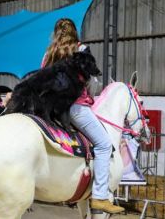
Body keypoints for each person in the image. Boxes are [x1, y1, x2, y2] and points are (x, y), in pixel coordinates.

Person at [41, 18, 124, 213]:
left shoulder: (48, 54)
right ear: (75, 32)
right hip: (75, 108)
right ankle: (100, 197)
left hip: (51, 108)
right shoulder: (82, 49)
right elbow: (89, 81)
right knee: (104, 145)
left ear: (55, 33)